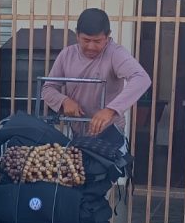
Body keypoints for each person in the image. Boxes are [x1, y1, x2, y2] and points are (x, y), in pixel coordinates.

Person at [41, 8, 152, 136]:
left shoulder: (115, 53)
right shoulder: (67, 54)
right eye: (86, 40)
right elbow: (48, 89)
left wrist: (110, 110)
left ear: (108, 36)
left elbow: (141, 78)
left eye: (97, 41)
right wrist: (64, 101)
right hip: (78, 132)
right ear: (77, 34)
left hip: (110, 132)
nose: (91, 47)